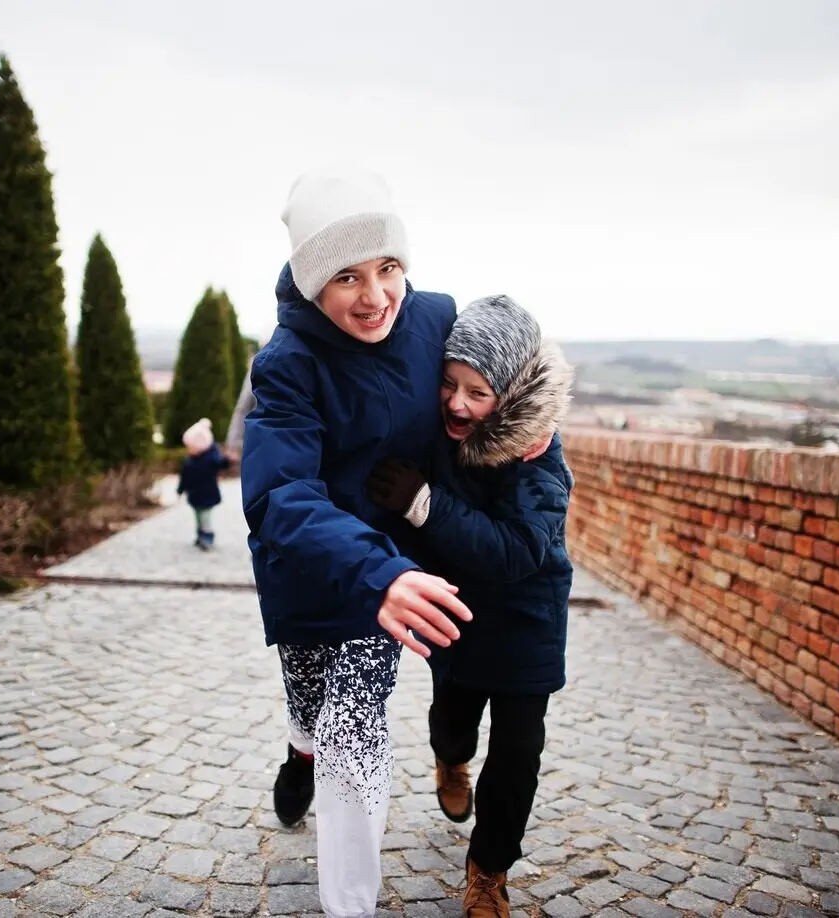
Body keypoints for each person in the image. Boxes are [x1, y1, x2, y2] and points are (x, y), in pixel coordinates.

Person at [241, 167, 474, 918]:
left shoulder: (437, 319)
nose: (376, 296)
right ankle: (295, 749)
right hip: (311, 567)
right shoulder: (286, 364)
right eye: (346, 275)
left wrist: (533, 453)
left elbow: (494, 398)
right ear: (312, 281)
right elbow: (280, 495)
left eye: (388, 267)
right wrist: (370, 573)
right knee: (310, 703)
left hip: (391, 572)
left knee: (352, 727)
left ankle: (350, 906)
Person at [366, 295, 574, 918]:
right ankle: (449, 760)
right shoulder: (438, 434)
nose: (458, 403)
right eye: (450, 385)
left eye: (477, 392)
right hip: (455, 614)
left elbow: (514, 551)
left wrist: (425, 506)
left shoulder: (539, 463)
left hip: (525, 624)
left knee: (516, 753)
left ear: (509, 396)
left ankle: (489, 872)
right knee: (452, 722)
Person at [177, 418, 232, 549]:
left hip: (208, 493)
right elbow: (184, 477)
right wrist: (180, 489)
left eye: (191, 447)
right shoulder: (189, 461)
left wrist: (228, 460)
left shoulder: (211, 458)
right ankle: (200, 534)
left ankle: (207, 537)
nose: (189, 449)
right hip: (194, 494)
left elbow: (220, 463)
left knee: (205, 516)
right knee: (198, 516)